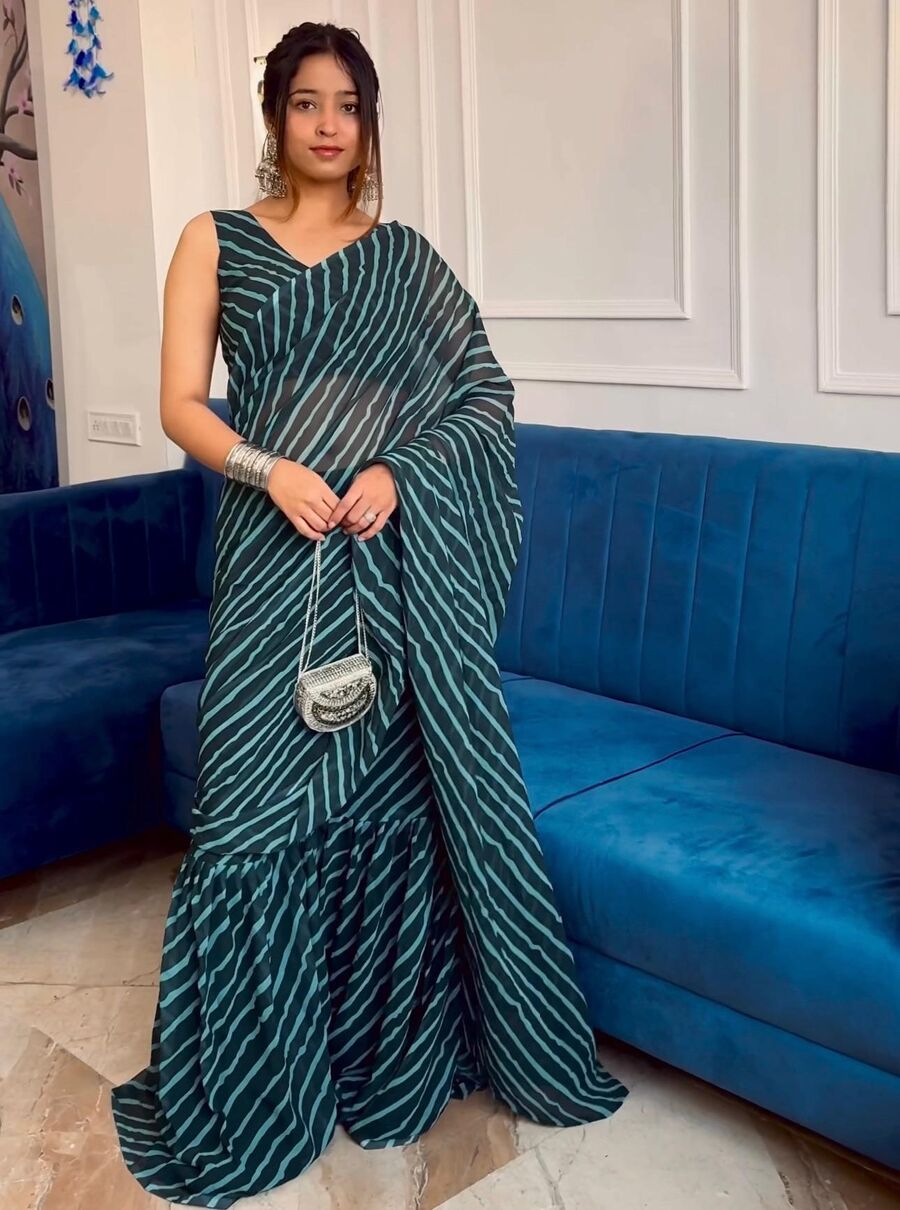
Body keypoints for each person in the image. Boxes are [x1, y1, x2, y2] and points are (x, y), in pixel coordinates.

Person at [109, 20, 629, 1208]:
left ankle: (381, 1063)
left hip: (385, 576)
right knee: (248, 815)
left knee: (380, 812)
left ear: (370, 121)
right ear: (275, 115)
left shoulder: (403, 260)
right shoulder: (216, 239)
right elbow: (181, 402)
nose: (329, 124)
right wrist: (267, 469)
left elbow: (482, 392)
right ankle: (259, 1085)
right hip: (270, 562)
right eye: (307, 102)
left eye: (348, 104)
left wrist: (401, 469)